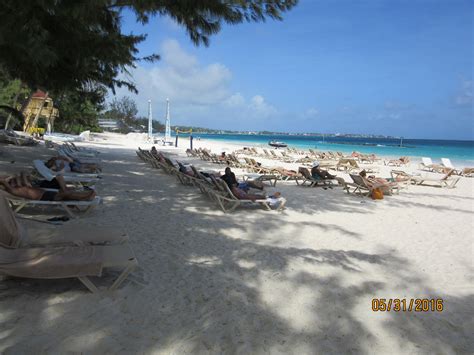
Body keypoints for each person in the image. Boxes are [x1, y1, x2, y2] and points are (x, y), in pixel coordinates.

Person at [0, 173, 95, 201]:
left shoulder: (19, 187)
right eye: (10, 182)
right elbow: (4, 182)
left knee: (65, 194)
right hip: (43, 197)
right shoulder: (13, 190)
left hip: (44, 193)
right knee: (65, 194)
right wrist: (5, 181)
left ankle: (85, 196)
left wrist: (11, 178)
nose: (13, 182)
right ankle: (85, 196)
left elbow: (22, 173)